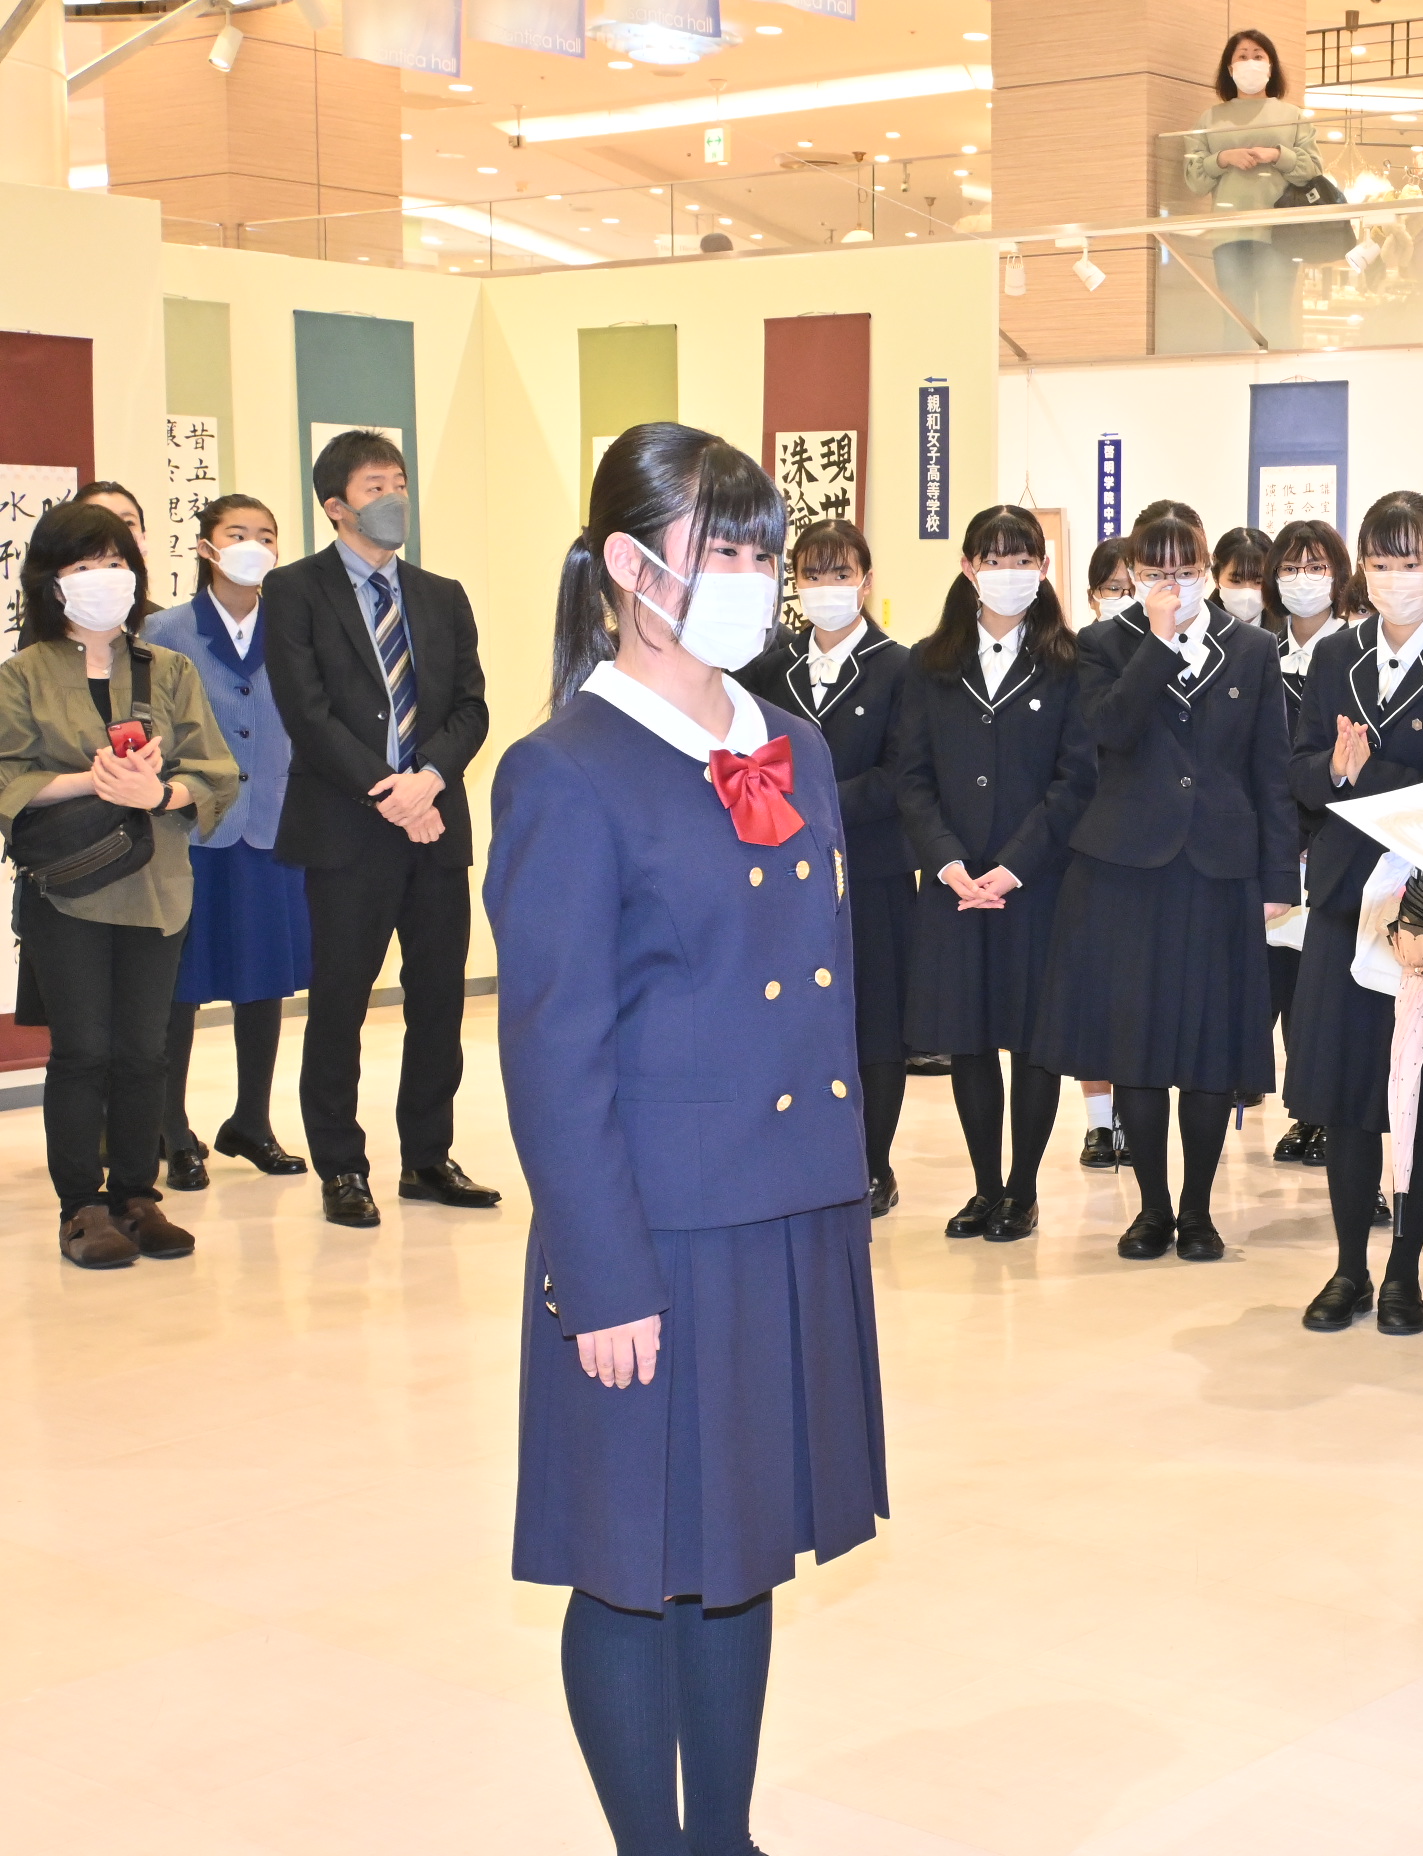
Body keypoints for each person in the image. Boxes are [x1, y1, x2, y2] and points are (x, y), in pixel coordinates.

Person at [487, 421, 887, 1856]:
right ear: (626, 564)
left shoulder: (794, 743)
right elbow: (554, 1052)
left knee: (738, 1550)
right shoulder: (565, 770)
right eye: (723, 550)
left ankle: (725, 1838)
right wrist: (601, 1276)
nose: (755, 580)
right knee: (632, 1561)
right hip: (654, 1232)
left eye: (763, 553)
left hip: (784, 1212)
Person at [1031, 511, 1296, 1262]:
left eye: (1185, 570)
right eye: (1155, 572)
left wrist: (1279, 875)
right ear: (1135, 574)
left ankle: (1199, 1209)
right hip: (1127, 869)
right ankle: (1150, 1208)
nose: (1171, 584)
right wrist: (1155, 640)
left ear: (1206, 569)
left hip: (1219, 868)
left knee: (1210, 1048)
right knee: (1137, 1045)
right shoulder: (1101, 644)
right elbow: (1109, 733)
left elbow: (1270, 770)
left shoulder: (1252, 649)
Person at [1285, 492, 1423, 1334]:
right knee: (1348, 1094)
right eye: (1380, 562)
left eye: (1410, 562)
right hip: (1346, 896)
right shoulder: (1334, 655)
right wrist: (1333, 774)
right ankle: (1349, 1266)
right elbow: (1300, 769)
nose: (1394, 577)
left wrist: (1362, 775)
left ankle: (1405, 1270)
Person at [260, 429, 499, 1229]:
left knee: (438, 1000)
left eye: (398, 481)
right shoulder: (295, 590)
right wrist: (386, 790)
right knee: (340, 1005)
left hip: (435, 825)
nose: (393, 496)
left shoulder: (442, 595)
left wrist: (428, 778)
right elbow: (307, 712)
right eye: (374, 486)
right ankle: (342, 1165)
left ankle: (428, 1157)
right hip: (346, 829)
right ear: (336, 506)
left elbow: (472, 707)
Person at [0, 502, 236, 1268]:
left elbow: (215, 773)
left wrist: (158, 794)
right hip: (69, 891)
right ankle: (82, 1208)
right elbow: (7, 775)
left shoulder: (168, 669)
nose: (102, 577)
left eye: (114, 562)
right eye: (82, 565)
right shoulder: (23, 674)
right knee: (83, 1052)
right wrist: (92, 781)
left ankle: (137, 1196)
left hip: (158, 885)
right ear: (52, 581)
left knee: (144, 1051)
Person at [897, 505, 1094, 1242]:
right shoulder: (929, 663)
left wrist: (1014, 866)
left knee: (1033, 1040)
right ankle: (985, 1187)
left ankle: (1022, 1190)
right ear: (968, 567)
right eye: (993, 558)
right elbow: (911, 776)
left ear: (1042, 569)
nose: (1008, 572)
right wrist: (947, 861)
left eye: (1022, 559)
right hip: (953, 886)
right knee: (969, 1037)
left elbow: (1075, 779)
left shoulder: (1069, 663)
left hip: (1035, 884)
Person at [736, 518, 918, 1216]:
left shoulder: (899, 667)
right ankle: (800, 1156)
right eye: (812, 575)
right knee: (792, 1013)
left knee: (874, 1023)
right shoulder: (766, 668)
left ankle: (873, 1165)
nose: (826, 587)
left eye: (840, 574)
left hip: (872, 871)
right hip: (782, 871)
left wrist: (812, 803)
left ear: (866, 582)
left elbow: (901, 774)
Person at [142, 494, 313, 1188]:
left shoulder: (295, 626)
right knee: (179, 986)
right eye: (237, 533)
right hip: (190, 830)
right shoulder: (165, 630)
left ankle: (251, 1121)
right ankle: (171, 1127)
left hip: (273, 823)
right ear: (207, 547)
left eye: (266, 535)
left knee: (264, 979)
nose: (254, 546)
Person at [1264, 516, 1352, 1167]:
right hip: (1271, 844)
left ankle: (1324, 1113)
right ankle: (1300, 1110)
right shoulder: (1259, 653)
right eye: (1291, 567)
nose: (1303, 579)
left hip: (1327, 841)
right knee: (1284, 983)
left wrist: (1307, 833)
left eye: (1316, 567)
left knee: (1322, 991)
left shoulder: (1351, 653)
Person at [1071, 532, 1141, 1169]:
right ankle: (1099, 1123)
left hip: (1143, 847)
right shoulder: (1084, 652)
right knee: (1092, 996)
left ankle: (1134, 1120)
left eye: (1131, 584)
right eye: (1112, 588)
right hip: (1085, 844)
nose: (1124, 596)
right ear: (1094, 595)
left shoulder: (1177, 650)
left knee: (1134, 997)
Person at [1180, 30, 1320, 346]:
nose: (1250, 62)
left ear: (1271, 66)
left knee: (1276, 318)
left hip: (1280, 233)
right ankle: (1236, 375)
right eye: (1242, 56)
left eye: (1258, 56)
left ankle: (1280, 376)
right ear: (1230, 68)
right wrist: (1223, 158)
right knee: (1236, 321)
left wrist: (1277, 155)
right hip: (1228, 232)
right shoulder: (1210, 118)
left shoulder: (1293, 116)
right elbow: (1194, 179)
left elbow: (1313, 169)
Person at [1212, 525, 1272, 631]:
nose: (1247, 594)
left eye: (1259, 582)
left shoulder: (1288, 631)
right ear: (1215, 578)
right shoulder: (1198, 629)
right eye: (1236, 581)